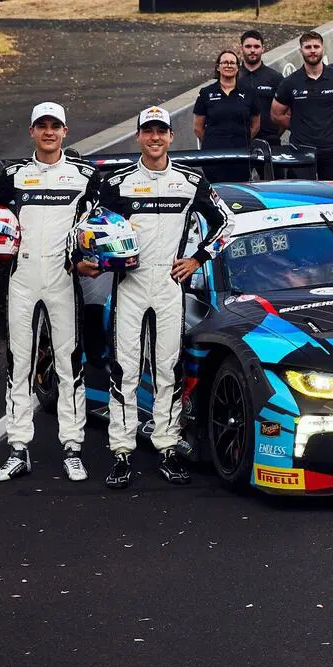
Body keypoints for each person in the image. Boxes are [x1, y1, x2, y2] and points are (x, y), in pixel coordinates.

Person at [90, 106, 229, 489]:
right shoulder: (116, 184)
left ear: (171, 137)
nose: (154, 138)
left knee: (168, 369)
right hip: (129, 285)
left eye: (161, 132)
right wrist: (97, 259)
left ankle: (167, 446)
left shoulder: (190, 181)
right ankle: (121, 451)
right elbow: (89, 228)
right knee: (125, 370)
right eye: (147, 131)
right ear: (138, 137)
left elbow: (226, 223)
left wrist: (197, 259)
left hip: (170, 285)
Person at [0, 102, 100, 484]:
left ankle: (73, 448)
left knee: (69, 363)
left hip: (64, 277)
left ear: (66, 131)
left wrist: (86, 258)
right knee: (20, 364)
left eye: (55, 126)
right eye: (42, 126)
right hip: (22, 276)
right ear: (32, 131)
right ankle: (18, 449)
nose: (49, 132)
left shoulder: (85, 176)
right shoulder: (12, 176)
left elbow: (106, 224)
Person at [270, 31, 333, 180]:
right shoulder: (290, 82)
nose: (312, 50)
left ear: (323, 49)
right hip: (301, 150)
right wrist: (298, 127)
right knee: (303, 198)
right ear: (301, 51)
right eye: (308, 47)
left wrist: (332, 125)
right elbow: (276, 115)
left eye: (316, 46)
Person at [191, 49, 260, 152]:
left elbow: (256, 125)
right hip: (213, 154)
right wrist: (213, 143)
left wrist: (242, 141)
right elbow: (198, 127)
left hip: (241, 153)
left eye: (232, 63)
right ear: (218, 67)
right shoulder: (206, 93)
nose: (229, 65)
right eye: (224, 62)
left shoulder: (249, 93)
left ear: (237, 68)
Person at [237, 29, 285, 145]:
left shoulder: (275, 78)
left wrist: (274, 134)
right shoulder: (232, 77)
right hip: (238, 143)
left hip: (270, 142)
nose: (252, 50)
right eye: (248, 46)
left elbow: (286, 110)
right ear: (241, 48)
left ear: (263, 49)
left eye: (256, 46)